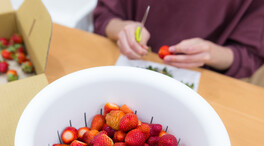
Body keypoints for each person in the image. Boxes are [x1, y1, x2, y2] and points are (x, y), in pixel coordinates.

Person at [93, 0, 264, 79]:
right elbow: (104, 16)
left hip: (204, 82)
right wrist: (122, 29)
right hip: (123, 66)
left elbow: (250, 56)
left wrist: (212, 54)